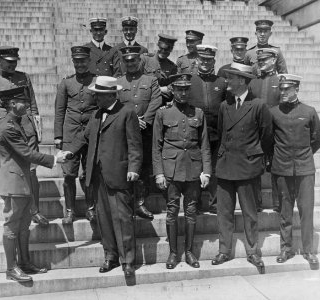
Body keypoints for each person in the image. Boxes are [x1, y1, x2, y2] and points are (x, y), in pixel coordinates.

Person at [65, 76, 143, 277]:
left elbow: (135, 144)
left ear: (110, 95)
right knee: (104, 219)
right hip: (97, 175)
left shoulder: (127, 112)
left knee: (122, 218)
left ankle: (128, 261)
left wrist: (133, 168)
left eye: (98, 95)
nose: (94, 98)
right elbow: (84, 138)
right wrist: (69, 152)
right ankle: (110, 256)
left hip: (118, 174)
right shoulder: (96, 114)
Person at [0, 86, 69, 282]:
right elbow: (26, 153)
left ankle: (25, 262)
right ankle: (11, 268)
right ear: (12, 104)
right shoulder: (7, 127)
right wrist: (54, 159)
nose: (27, 105)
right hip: (14, 182)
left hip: (23, 179)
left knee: (24, 225)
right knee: (12, 226)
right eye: (23, 102)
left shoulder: (16, 123)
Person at [211, 62, 273, 270]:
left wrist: (254, 155)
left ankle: (253, 252)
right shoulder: (224, 106)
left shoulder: (258, 105)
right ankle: (224, 250)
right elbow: (221, 133)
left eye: (230, 77)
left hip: (248, 166)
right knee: (224, 213)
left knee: (249, 212)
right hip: (226, 165)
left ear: (242, 80)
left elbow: (266, 136)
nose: (226, 80)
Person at [0, 46, 48, 227]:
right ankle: (14, 213)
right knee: (12, 174)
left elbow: (33, 105)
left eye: (14, 62)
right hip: (7, 134)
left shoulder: (24, 78)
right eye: (8, 62)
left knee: (32, 172)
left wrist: (37, 129)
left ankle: (35, 210)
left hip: (27, 130)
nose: (12, 65)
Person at [152, 74, 211, 269]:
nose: (183, 93)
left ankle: (189, 252)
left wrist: (207, 171)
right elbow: (156, 147)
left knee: (191, 211)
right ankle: (173, 253)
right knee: (172, 210)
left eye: (186, 89)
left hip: (193, 169)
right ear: (172, 90)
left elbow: (204, 146)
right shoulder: (162, 113)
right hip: (171, 169)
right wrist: (159, 173)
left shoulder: (199, 113)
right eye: (179, 89)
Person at [270, 74, 320, 265]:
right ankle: (286, 249)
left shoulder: (309, 111)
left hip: (304, 169)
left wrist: (305, 155)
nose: (283, 92)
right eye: (281, 89)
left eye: (287, 89)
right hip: (282, 169)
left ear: (296, 89)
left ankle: (308, 250)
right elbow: (268, 140)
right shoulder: (274, 112)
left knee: (306, 211)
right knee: (285, 211)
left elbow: (318, 139)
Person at [117, 46, 162, 220]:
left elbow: (156, 100)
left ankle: (140, 204)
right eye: (127, 61)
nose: (130, 64)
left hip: (145, 132)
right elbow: (116, 103)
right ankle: (127, 204)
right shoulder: (118, 81)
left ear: (139, 61)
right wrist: (132, 121)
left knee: (144, 168)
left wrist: (146, 119)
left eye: (133, 60)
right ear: (123, 62)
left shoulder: (150, 80)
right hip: (124, 133)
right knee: (126, 166)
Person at [54, 46, 97, 224]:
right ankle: (70, 211)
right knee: (69, 174)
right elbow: (59, 110)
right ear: (73, 62)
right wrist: (58, 136)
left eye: (83, 61)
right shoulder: (66, 83)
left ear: (89, 61)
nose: (80, 64)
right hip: (70, 135)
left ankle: (91, 208)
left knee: (89, 173)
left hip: (90, 135)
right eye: (77, 61)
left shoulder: (96, 81)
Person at [189, 45, 227, 214]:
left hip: (215, 132)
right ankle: (194, 202)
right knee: (196, 166)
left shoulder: (220, 82)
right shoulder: (189, 80)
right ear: (197, 60)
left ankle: (215, 203)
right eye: (202, 59)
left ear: (214, 61)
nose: (205, 62)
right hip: (194, 132)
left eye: (209, 60)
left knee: (216, 167)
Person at [249, 48, 281, 212]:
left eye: (264, 60)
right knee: (256, 167)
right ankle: (256, 202)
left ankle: (278, 202)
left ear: (274, 60)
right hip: (257, 132)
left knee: (277, 167)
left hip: (276, 132)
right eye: (259, 61)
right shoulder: (253, 82)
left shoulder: (281, 80)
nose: (260, 63)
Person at [140, 33, 178, 104]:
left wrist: (152, 89)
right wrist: (161, 89)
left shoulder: (172, 67)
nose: (163, 51)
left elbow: (171, 89)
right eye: (161, 48)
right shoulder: (145, 60)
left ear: (171, 49)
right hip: (144, 101)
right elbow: (137, 81)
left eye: (166, 49)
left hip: (161, 103)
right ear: (158, 46)